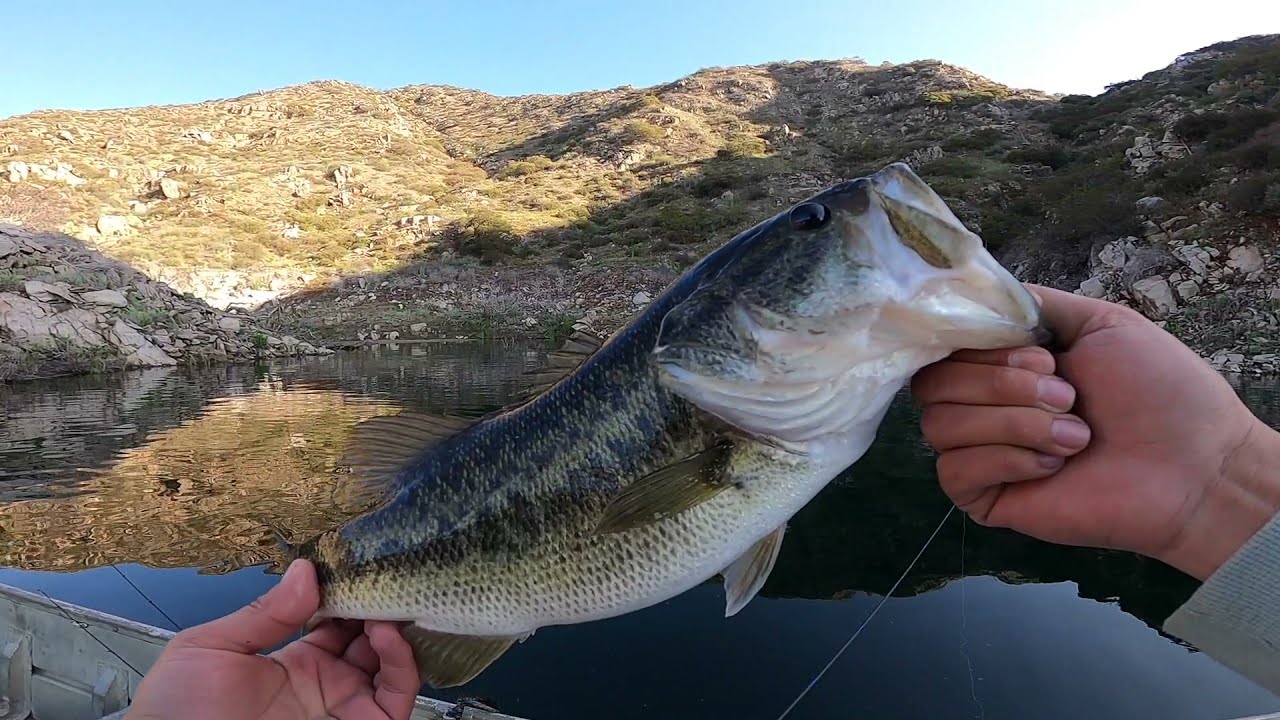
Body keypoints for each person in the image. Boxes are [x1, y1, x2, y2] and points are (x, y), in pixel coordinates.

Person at [123, 284, 1280, 719]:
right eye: (810, 256)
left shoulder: (752, 441)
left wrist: (1215, 488)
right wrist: (1220, 492)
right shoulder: (726, 437)